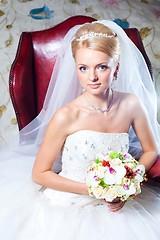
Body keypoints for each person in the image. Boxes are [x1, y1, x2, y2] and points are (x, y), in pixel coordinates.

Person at [0, 20, 160, 240]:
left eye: (101, 67)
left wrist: (127, 185)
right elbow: (39, 173)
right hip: (67, 205)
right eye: (83, 68)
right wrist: (98, 191)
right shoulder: (67, 115)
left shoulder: (131, 104)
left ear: (117, 68)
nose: (92, 77)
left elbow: (150, 150)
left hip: (118, 205)